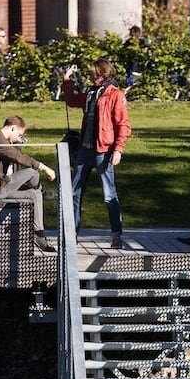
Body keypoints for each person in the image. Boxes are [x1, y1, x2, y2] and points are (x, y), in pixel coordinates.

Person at [62, 57, 131, 247]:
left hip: (104, 150)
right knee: (75, 192)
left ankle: (116, 235)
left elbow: (123, 125)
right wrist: (66, 80)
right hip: (85, 149)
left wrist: (118, 149)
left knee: (109, 195)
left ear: (103, 74)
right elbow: (72, 100)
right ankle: (72, 234)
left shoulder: (115, 94)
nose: (91, 77)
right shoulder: (92, 93)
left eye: (94, 74)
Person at [0, 115, 57, 253]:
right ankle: (41, 189)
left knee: (34, 194)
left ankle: (39, 235)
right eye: (19, 134)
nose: (19, 137)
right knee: (33, 172)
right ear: (13, 128)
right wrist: (45, 168)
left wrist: (17, 145)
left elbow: (14, 158)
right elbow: (19, 158)